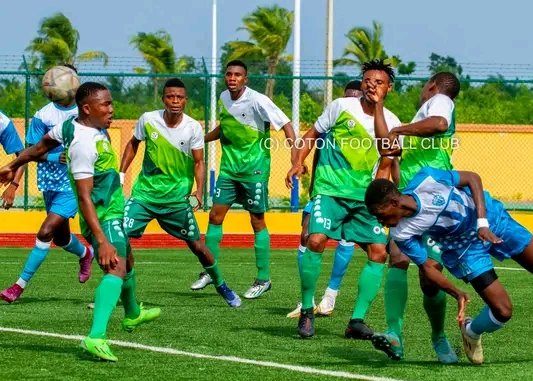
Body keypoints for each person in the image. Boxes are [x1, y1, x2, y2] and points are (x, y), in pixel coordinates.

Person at [365, 167, 533, 364]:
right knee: (503, 311)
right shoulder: (401, 233)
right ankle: (471, 331)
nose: (379, 221)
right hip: (464, 248)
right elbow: (426, 268)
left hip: (490, 219)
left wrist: (482, 223)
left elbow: (472, 178)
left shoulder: (428, 179)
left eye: (379, 214)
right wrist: (457, 293)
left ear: (393, 202)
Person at [0, 82, 160, 362]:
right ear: (87, 108)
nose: (112, 109)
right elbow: (84, 197)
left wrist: (12, 165)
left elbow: (39, 148)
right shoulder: (85, 144)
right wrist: (101, 240)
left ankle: (133, 312)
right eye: (106, 104)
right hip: (104, 215)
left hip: (110, 210)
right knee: (116, 268)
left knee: (128, 260)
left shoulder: (70, 127)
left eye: (111, 103)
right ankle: (96, 337)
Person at [287, 59, 402, 340]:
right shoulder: (340, 106)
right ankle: (307, 310)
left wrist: (383, 201)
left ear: (388, 88)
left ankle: (356, 321)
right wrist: (297, 162)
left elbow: (386, 164)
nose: (371, 86)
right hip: (329, 190)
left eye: (379, 82)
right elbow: (311, 135)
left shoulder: (393, 123)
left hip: (364, 198)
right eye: (367, 81)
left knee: (379, 252)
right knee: (315, 240)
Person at [119, 78, 241, 307]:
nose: (175, 101)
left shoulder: (193, 127)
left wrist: (199, 191)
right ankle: (121, 292)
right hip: (144, 196)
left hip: (177, 200)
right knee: (118, 238)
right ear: (163, 99)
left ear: (185, 100)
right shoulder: (148, 120)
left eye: (179, 97)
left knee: (198, 246)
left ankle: (221, 284)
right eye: (170, 97)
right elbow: (133, 144)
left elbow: (199, 162)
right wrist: (121, 174)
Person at [371, 72, 461, 363]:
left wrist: (399, 129)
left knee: (430, 276)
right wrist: (379, 105)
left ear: (432, 85)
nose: (422, 91)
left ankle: (439, 336)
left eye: (424, 86)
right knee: (397, 260)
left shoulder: (440, 100)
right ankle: (394, 335)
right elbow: (386, 144)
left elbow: (439, 124)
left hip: (435, 203)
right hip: (406, 203)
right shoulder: (417, 123)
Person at [190, 60, 297, 299]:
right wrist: (200, 140)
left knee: (257, 221)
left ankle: (263, 279)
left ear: (245, 79)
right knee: (215, 216)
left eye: (237, 75)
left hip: (254, 171)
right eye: (229, 74)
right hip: (229, 170)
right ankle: (210, 271)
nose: (232, 78)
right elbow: (225, 128)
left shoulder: (258, 100)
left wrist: (295, 159)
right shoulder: (223, 98)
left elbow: (287, 126)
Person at [1, 74, 95, 304]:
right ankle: (86, 253)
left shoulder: (85, 113)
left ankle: (18, 286)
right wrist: (53, 157)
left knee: (45, 232)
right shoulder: (43, 115)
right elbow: (31, 152)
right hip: (49, 183)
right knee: (61, 239)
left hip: (74, 183)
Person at [287, 80, 363, 318]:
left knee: (347, 240)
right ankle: (306, 300)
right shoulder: (331, 122)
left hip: (355, 193)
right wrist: (305, 174)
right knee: (306, 235)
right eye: (348, 96)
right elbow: (316, 150)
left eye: (356, 97)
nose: (351, 101)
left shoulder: (369, 129)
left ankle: (331, 296)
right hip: (324, 190)